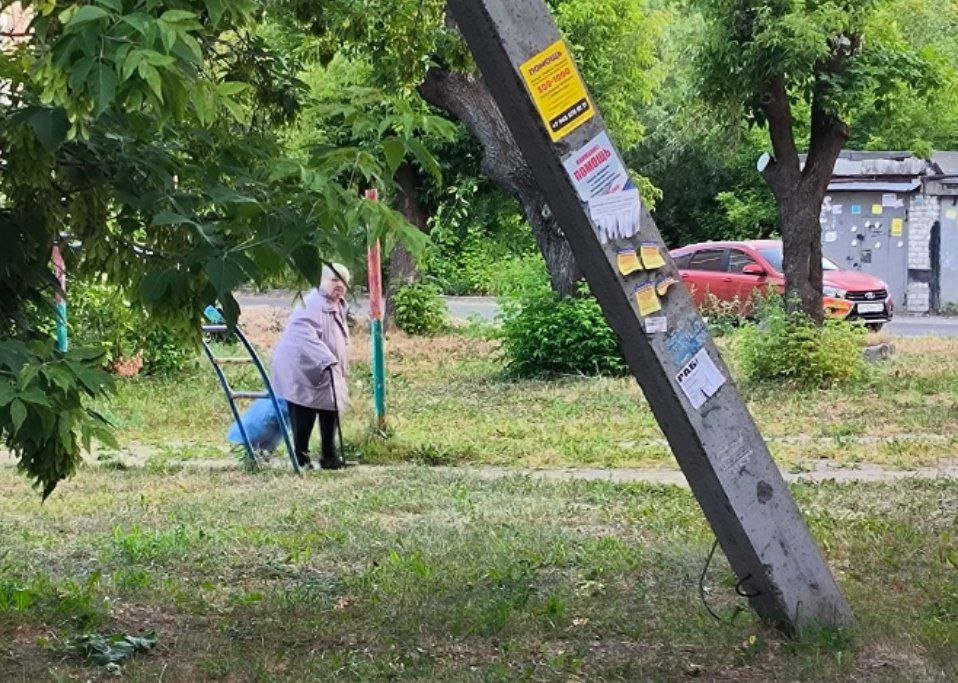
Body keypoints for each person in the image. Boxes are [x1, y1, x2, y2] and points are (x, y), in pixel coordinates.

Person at [271, 264, 351, 470]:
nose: (339, 285)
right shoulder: (312, 303)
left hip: (325, 369)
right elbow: (301, 333)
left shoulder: (339, 304)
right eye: (334, 280)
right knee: (304, 409)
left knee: (330, 408)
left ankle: (329, 456)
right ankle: (301, 457)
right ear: (321, 281)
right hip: (302, 368)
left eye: (343, 281)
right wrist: (326, 357)